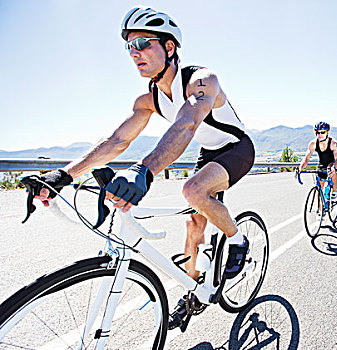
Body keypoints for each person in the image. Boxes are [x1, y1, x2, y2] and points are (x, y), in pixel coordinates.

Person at [33, 6, 254, 329]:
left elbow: (187, 124)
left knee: (192, 190)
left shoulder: (202, 80)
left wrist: (144, 170)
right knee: (194, 223)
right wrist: (65, 175)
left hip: (237, 148)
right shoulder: (147, 99)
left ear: (169, 47)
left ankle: (237, 240)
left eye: (143, 43)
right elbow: (116, 141)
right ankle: (194, 288)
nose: (134, 53)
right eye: (129, 47)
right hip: (209, 152)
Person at [295, 122, 337, 203]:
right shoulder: (313, 144)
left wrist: (334, 167)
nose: (320, 134)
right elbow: (306, 159)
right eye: (317, 132)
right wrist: (300, 168)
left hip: (332, 163)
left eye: (322, 132)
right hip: (321, 164)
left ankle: (334, 191)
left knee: (332, 172)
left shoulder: (333, 143)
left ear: (327, 132)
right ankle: (320, 211)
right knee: (319, 188)